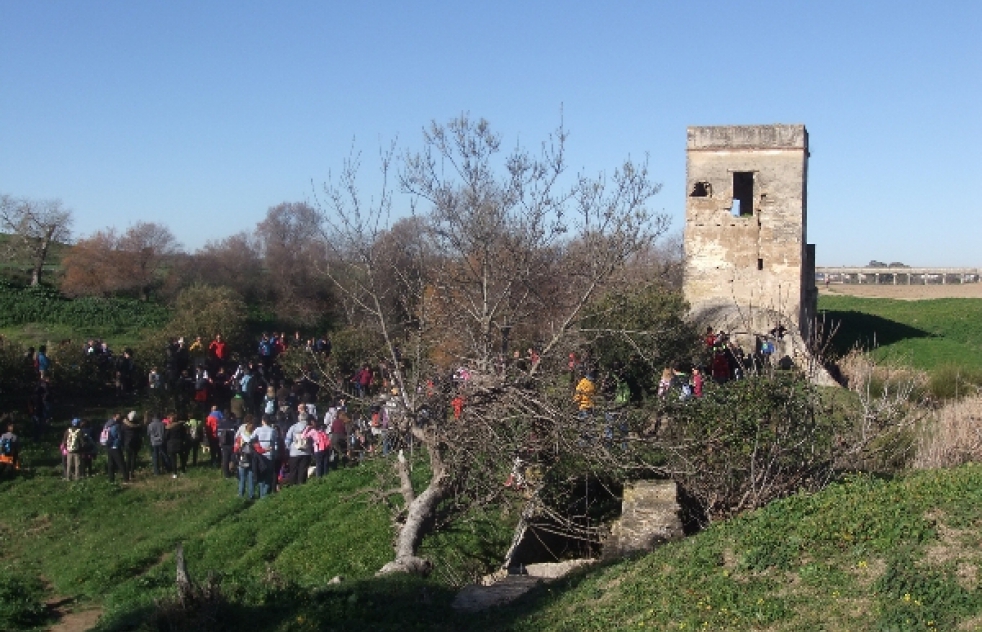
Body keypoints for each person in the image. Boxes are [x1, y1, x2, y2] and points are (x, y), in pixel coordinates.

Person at [251, 415, 278, 498]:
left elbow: (251, 438)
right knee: (268, 475)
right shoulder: (273, 430)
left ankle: (261, 493)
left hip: (259, 455)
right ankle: (265, 494)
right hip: (269, 455)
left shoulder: (258, 430)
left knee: (261, 473)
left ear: (263, 421)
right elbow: (275, 443)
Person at [284, 413, 312, 485]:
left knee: (293, 471)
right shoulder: (309, 427)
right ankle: (301, 486)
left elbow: (288, 439)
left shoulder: (293, 427)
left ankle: (293, 487)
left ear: (299, 419)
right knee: (303, 471)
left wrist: (289, 448)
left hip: (294, 452)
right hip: (306, 452)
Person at [233, 417, 256, 499]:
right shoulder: (254, 438)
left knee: (242, 479)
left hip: (242, 460)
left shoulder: (240, 438)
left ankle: (241, 494)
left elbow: (235, 449)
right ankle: (251, 495)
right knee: (251, 479)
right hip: (251, 460)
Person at [103, 413, 128, 483]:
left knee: (110, 463)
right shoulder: (117, 426)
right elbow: (119, 437)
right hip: (115, 446)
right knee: (121, 463)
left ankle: (111, 479)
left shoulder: (106, 425)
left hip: (108, 446)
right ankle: (126, 478)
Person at [122, 411, 143, 475]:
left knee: (128, 458)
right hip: (135, 443)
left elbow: (122, 432)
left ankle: (127, 472)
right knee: (133, 458)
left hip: (127, 443)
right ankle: (132, 472)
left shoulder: (124, 425)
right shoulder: (138, 425)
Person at [217, 411, 237, 478]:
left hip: (223, 443)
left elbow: (218, 434)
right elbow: (236, 434)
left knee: (225, 459)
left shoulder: (220, 423)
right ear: (230, 416)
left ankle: (226, 475)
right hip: (231, 443)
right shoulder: (233, 424)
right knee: (233, 458)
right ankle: (232, 469)